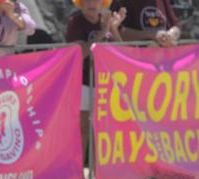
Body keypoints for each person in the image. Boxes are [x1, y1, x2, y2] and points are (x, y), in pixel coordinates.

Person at [66, 0, 125, 162]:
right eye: (86, 1)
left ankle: (99, 172)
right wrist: (103, 32)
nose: (91, 3)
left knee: (102, 129)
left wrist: (113, 28)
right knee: (82, 128)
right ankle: (77, 171)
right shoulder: (75, 22)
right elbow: (79, 53)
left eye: (96, 0)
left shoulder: (107, 20)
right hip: (83, 81)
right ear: (79, 4)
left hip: (105, 83)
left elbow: (122, 50)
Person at [110, 0, 181, 47]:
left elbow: (176, 26)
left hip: (165, 61)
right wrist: (153, 35)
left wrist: (171, 34)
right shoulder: (121, 2)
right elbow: (116, 31)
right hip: (137, 61)